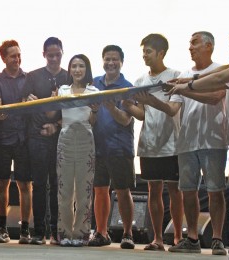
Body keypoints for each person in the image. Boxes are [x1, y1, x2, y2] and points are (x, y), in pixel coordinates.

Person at [147, 31, 227, 255]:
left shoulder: (220, 71)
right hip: (187, 142)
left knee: (215, 190)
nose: (190, 48)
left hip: (214, 140)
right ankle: (192, 238)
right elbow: (172, 108)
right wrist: (150, 100)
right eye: (190, 44)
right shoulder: (184, 74)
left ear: (209, 46)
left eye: (194, 43)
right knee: (188, 191)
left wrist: (186, 89)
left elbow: (215, 96)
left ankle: (217, 239)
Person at [168, 25, 229, 205]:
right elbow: (223, 72)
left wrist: (186, 87)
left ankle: (220, 234)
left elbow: (217, 86)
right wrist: (190, 80)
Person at [123, 34, 183, 250]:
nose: (145, 55)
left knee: (176, 192)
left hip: (173, 143)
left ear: (161, 53)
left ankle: (178, 238)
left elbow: (172, 109)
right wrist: (127, 104)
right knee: (153, 191)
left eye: (148, 51)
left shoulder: (175, 76)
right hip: (149, 144)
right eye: (143, 52)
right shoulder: (140, 81)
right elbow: (141, 115)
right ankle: (157, 238)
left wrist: (152, 101)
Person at [88, 45, 136, 249]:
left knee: (123, 191)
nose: (111, 63)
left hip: (120, 148)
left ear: (121, 62)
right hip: (97, 147)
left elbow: (126, 120)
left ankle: (127, 233)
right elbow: (89, 117)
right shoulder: (93, 84)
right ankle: (101, 232)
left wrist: (109, 106)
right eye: (107, 59)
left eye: (115, 59)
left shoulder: (127, 86)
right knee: (99, 191)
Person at [0, 40, 32, 244]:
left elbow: (32, 105)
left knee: (25, 185)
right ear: (4, 58)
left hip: (24, 138)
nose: (17, 59)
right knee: (1, 183)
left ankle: (25, 231)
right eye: (13, 55)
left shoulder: (29, 79)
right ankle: (2, 229)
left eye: (19, 55)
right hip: (2, 138)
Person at [22, 37, 67, 245]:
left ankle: (58, 232)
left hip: (62, 137)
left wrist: (55, 124)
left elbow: (74, 110)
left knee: (59, 185)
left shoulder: (69, 77)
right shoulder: (32, 77)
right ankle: (39, 232)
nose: (54, 58)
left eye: (58, 54)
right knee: (39, 184)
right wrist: (44, 125)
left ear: (62, 53)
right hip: (37, 136)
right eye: (50, 55)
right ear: (44, 55)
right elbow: (25, 104)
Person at [51, 54, 98, 247]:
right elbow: (54, 114)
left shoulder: (94, 91)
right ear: (69, 69)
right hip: (66, 140)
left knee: (84, 191)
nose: (77, 69)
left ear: (87, 69)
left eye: (81, 66)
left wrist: (95, 111)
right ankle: (65, 234)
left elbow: (93, 122)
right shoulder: (62, 90)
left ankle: (81, 234)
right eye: (74, 66)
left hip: (86, 139)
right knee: (64, 190)